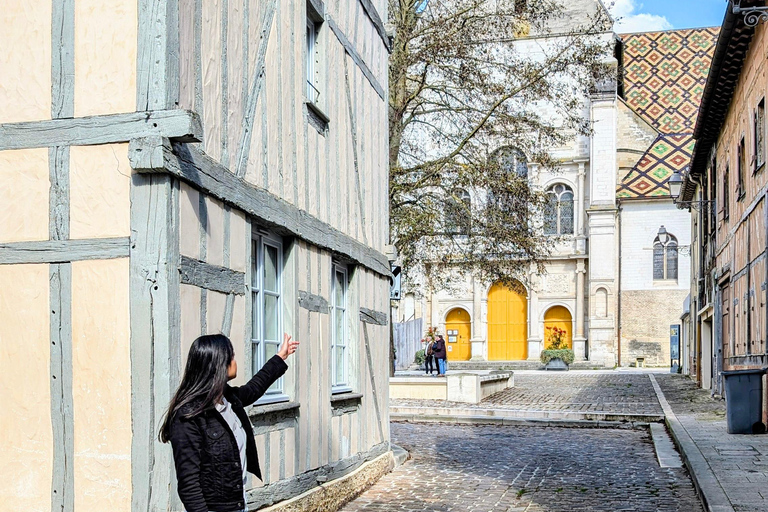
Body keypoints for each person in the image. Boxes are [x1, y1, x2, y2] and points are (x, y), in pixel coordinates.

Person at [159, 332, 299, 512]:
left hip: (238, 504)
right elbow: (189, 485)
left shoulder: (228, 399)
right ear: (219, 364)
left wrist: (281, 356)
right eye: (231, 356)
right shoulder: (189, 417)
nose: (235, 360)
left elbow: (254, 388)